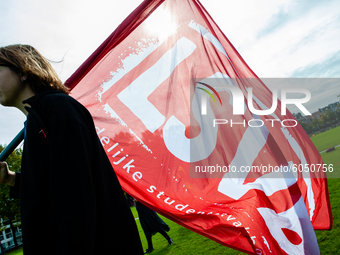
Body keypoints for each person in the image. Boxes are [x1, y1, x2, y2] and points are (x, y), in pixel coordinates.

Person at [0, 44, 144, 254]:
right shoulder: (35, 122)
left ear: (23, 70)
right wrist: (11, 178)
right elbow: (52, 187)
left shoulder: (56, 108)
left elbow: (76, 196)